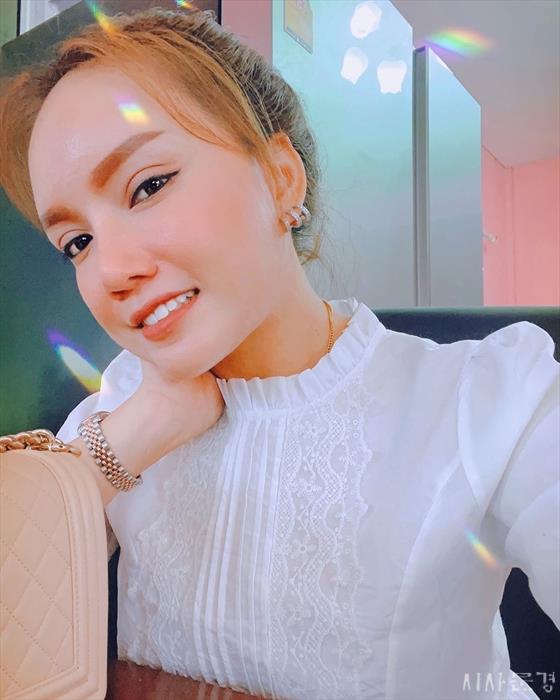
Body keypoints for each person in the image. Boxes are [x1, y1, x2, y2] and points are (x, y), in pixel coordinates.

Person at [0, 7, 558, 700]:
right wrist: (143, 428)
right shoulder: (123, 403)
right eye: (78, 242)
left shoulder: (489, 400)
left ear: (280, 176)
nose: (111, 271)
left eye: (148, 186)